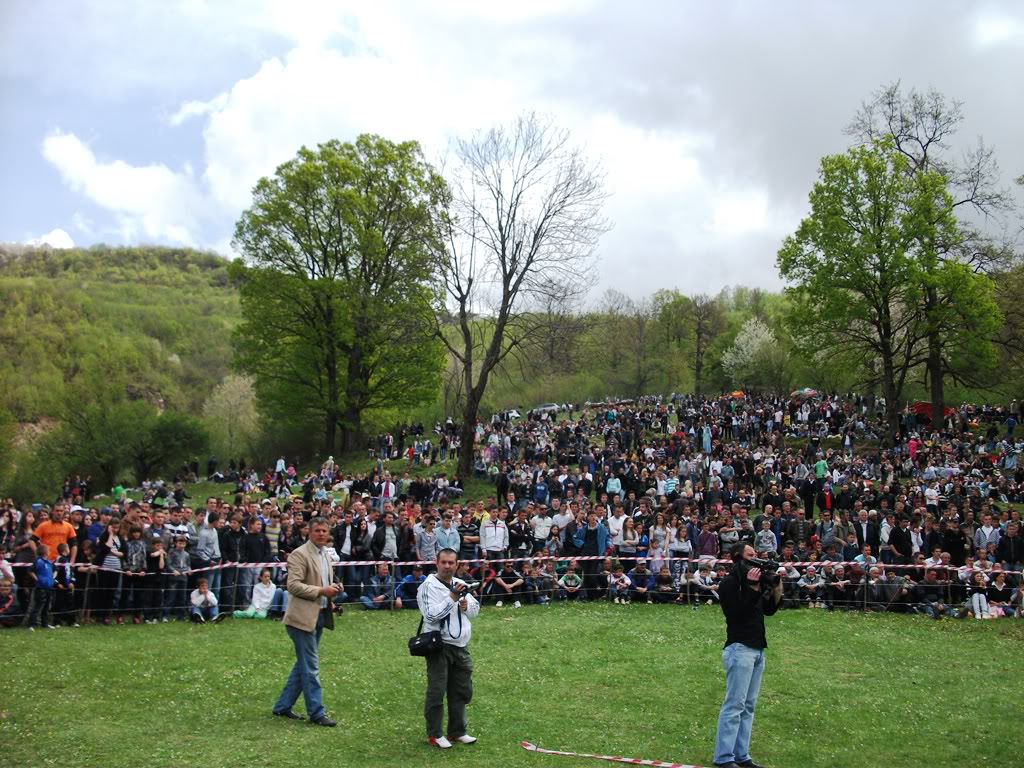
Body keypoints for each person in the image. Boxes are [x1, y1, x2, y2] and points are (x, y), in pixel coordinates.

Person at [712, 542, 783, 768]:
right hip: (739, 649)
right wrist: (752, 588)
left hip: (757, 649)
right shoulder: (729, 583)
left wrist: (777, 587)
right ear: (738, 558)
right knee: (734, 705)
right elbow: (737, 614)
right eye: (751, 555)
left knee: (748, 706)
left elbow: (768, 610)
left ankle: (741, 756)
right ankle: (723, 758)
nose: (756, 559)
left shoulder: (755, 581)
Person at [272, 516, 342, 727]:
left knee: (303, 664)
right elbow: (293, 585)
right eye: (317, 530)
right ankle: (316, 712)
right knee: (310, 666)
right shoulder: (299, 554)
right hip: (301, 618)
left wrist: (334, 590)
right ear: (309, 532)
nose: (321, 534)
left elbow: (326, 582)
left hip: (320, 614)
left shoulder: (326, 555)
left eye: (324, 531)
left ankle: (282, 706)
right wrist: (321, 591)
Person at [418, 548, 479, 749]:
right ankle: (435, 734)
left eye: (451, 563)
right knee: (437, 690)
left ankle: (457, 731)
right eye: (443, 562)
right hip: (440, 647)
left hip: (461, 646)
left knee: (460, 690)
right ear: (436, 563)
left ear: (456, 564)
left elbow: (475, 610)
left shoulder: (460, 584)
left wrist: (465, 606)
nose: (447, 566)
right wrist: (451, 598)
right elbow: (430, 616)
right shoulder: (428, 586)